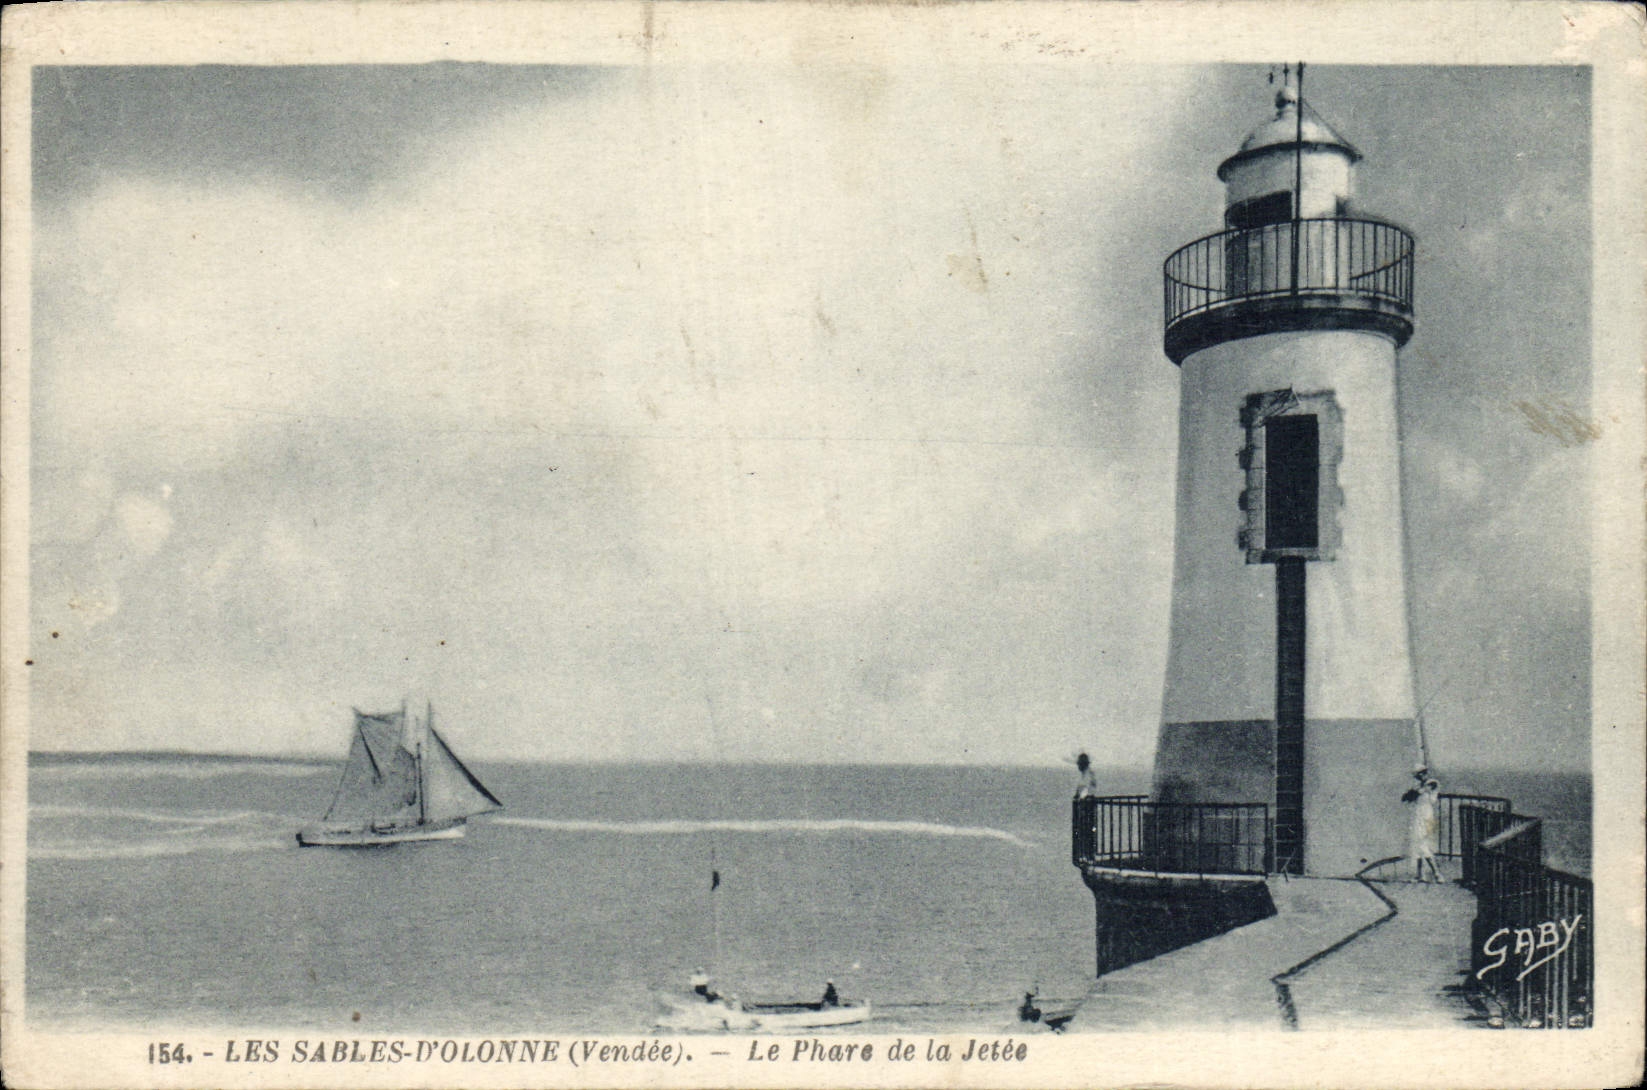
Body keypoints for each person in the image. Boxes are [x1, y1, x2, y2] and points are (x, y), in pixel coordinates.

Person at [1406, 775, 1443, 882]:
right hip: (1417, 818)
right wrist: (1418, 791)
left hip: (1427, 819)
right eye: (1418, 775)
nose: (1420, 777)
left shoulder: (1432, 785)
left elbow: (1433, 800)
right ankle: (1421, 875)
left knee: (1423, 846)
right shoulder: (1417, 787)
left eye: (1422, 774)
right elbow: (1409, 799)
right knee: (1418, 846)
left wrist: (1427, 790)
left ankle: (1437, 873)